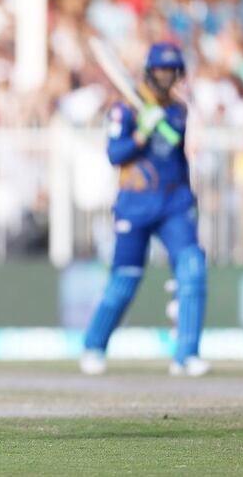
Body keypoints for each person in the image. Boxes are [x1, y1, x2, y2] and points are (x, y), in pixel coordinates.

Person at [80, 42, 210, 377]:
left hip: (174, 201)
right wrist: (141, 133)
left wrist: (189, 196)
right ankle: (94, 346)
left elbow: (178, 158)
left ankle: (187, 354)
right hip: (135, 203)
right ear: (151, 72)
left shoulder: (179, 111)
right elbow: (115, 155)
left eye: (172, 70)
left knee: (192, 269)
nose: (167, 76)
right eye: (162, 70)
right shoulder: (126, 109)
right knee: (124, 280)